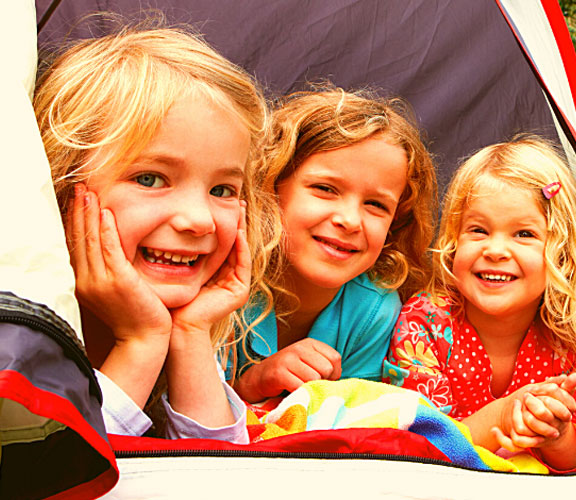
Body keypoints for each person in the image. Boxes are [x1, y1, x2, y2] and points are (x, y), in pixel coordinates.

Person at [35, 26, 275, 442]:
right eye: (150, 178)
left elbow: (220, 479)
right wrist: (140, 344)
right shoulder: (13, 342)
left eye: (222, 190)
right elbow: (56, 475)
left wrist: (192, 335)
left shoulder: (190, 327)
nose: (198, 220)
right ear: (60, 186)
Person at [383, 137, 576, 473]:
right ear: (453, 241)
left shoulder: (569, 342)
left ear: (562, 256)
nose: (495, 250)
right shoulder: (425, 323)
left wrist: (558, 435)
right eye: (478, 230)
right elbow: (417, 444)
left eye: (523, 234)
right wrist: (505, 416)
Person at [231, 87, 438, 404]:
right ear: (270, 185)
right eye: (325, 189)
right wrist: (253, 384)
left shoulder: (375, 309)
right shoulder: (225, 278)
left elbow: (350, 428)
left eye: (376, 205)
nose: (351, 220)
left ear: (396, 223)